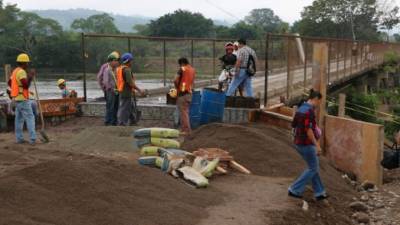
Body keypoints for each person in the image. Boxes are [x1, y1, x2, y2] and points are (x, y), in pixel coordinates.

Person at [288, 89, 328, 201]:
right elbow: (309, 131)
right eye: (319, 102)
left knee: (313, 167)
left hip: (298, 143)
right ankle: (294, 189)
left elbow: (293, 124)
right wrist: (317, 145)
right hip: (306, 144)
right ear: (315, 99)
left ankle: (320, 192)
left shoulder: (300, 109)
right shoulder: (308, 112)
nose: (319, 105)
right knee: (313, 168)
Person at [9, 53, 37, 145]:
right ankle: (33, 139)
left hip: (16, 98)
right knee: (30, 118)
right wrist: (31, 76)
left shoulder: (15, 71)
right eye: (27, 63)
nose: (27, 64)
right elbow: (25, 85)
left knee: (19, 119)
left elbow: (10, 83)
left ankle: (19, 139)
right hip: (23, 99)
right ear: (24, 63)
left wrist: (27, 77)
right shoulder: (21, 72)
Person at [116, 53, 144, 126]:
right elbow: (130, 82)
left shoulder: (119, 68)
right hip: (126, 92)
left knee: (131, 107)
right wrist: (139, 90)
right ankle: (122, 123)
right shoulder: (127, 70)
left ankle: (133, 121)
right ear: (128, 61)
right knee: (125, 108)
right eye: (131, 60)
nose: (132, 62)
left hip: (122, 91)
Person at [97, 52, 120, 126]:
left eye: (117, 60)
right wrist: (105, 89)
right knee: (110, 106)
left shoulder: (115, 69)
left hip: (116, 90)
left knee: (116, 106)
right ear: (111, 61)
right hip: (110, 91)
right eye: (115, 60)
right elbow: (105, 81)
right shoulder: (106, 69)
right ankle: (108, 121)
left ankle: (114, 121)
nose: (117, 62)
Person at [174, 57, 195, 134]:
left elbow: (175, 79)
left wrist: (177, 88)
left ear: (182, 63)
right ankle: (184, 129)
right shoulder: (192, 70)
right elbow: (192, 82)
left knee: (183, 113)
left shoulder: (182, 69)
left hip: (182, 94)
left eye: (180, 64)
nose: (180, 66)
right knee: (186, 111)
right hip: (189, 93)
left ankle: (186, 130)